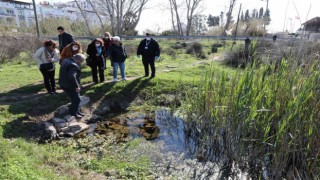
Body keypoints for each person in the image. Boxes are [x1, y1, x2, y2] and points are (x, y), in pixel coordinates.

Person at [59, 54, 86, 119]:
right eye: (81, 61)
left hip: (64, 83)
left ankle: (77, 111)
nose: (81, 63)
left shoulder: (66, 61)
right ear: (78, 59)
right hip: (69, 85)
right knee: (77, 99)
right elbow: (72, 76)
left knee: (75, 98)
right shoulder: (73, 65)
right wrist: (76, 86)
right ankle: (73, 114)